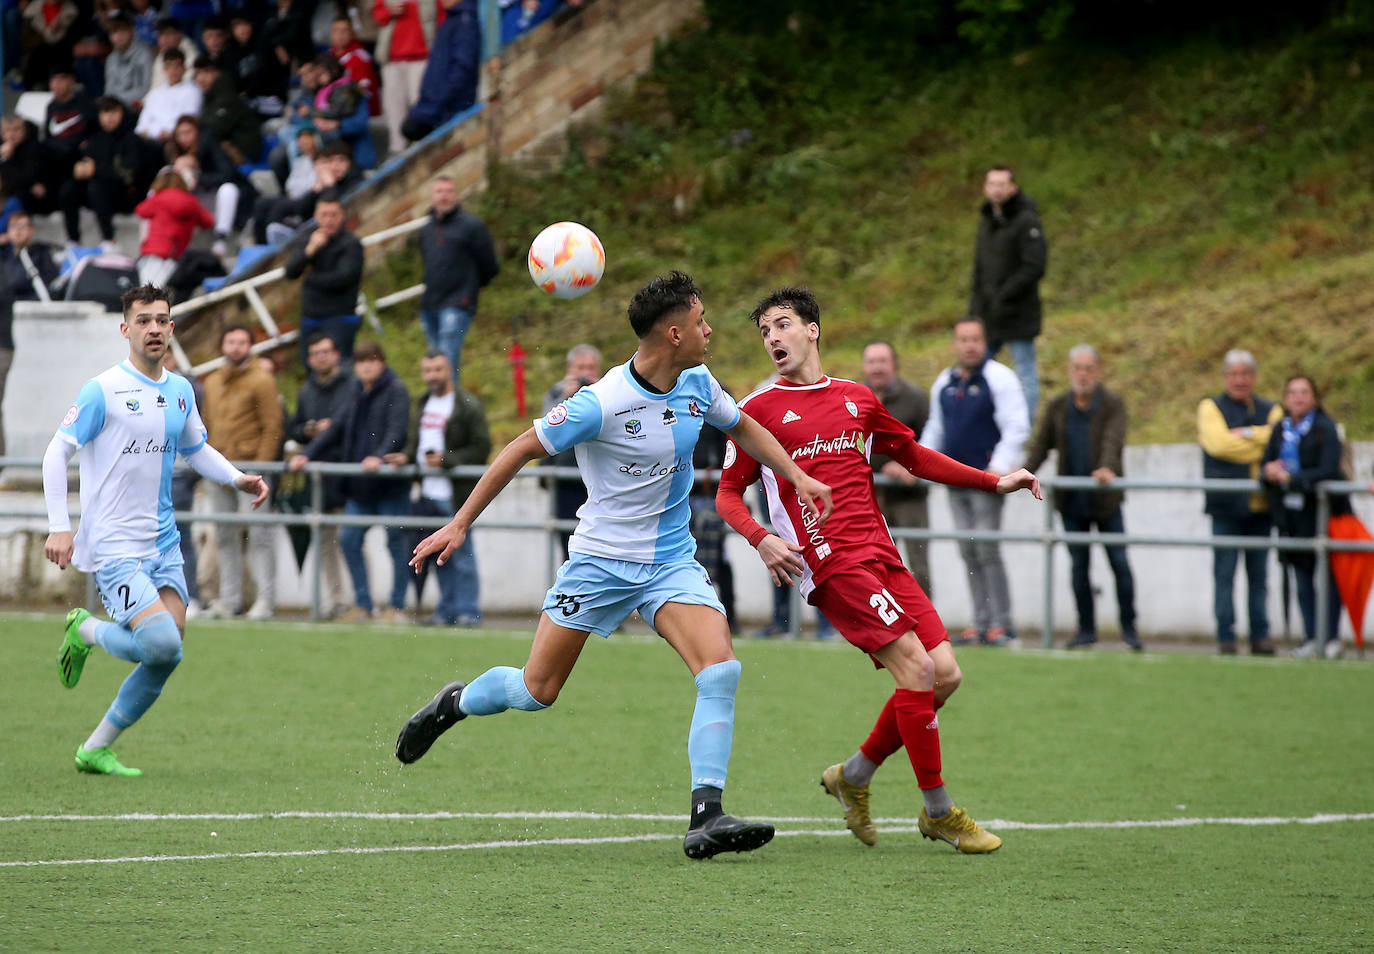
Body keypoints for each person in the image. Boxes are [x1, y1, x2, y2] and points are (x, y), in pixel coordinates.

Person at [395, 271, 834, 860]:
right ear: (674, 333)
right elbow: (520, 449)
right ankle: (454, 702)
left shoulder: (698, 382)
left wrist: (797, 474)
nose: (711, 331)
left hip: (671, 561)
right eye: (701, 322)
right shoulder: (600, 402)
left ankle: (707, 813)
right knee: (536, 690)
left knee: (720, 669)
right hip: (599, 564)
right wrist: (459, 523)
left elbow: (744, 427)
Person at [716, 285, 1040, 853]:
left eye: (783, 324)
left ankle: (855, 776)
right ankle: (939, 811)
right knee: (915, 670)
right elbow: (727, 494)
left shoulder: (857, 398)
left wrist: (996, 479)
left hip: (882, 553)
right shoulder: (756, 412)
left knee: (946, 676)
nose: (773, 337)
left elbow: (914, 457)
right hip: (831, 563)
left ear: (812, 329)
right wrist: (762, 538)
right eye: (765, 330)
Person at [42, 284, 268, 776]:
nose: (153, 329)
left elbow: (195, 448)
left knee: (168, 654)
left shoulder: (181, 391)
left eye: (162, 320)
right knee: (161, 643)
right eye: (143, 320)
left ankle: (95, 748)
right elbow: (56, 452)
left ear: (172, 328)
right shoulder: (102, 390)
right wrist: (61, 527)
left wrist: (235, 476)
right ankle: (85, 629)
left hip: (163, 543)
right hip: (115, 544)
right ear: (125, 329)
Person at [920, 316, 1029, 645]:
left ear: (985, 344)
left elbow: (1017, 425)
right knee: (968, 551)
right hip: (954, 482)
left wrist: (999, 467)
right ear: (955, 344)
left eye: (975, 340)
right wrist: (919, 460)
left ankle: (1001, 622)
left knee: (987, 549)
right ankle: (980, 622)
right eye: (963, 339)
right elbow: (936, 428)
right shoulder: (945, 382)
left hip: (986, 482)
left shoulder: (1000, 378)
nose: (969, 345)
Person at [1024, 345, 1141, 650]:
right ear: (1069, 370)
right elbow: (1041, 446)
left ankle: (1130, 630)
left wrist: (1107, 467)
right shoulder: (1058, 405)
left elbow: (1114, 439)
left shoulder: (1112, 403)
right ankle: (1085, 629)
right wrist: (1020, 473)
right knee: (1079, 567)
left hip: (1105, 500)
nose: (1083, 374)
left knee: (1120, 564)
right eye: (1078, 367)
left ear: (1098, 371)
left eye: (1089, 368)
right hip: (1071, 502)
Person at [289, 339, 412, 623]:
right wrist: (307, 454)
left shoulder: (396, 390)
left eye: (371, 360)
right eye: (361, 361)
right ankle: (364, 606)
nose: (366, 366)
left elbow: (397, 430)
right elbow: (336, 429)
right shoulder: (357, 392)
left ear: (381, 362)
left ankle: (397, 608)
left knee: (396, 543)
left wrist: (379, 456)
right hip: (361, 486)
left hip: (389, 484)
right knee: (349, 540)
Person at [385, 351, 491, 625]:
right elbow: (416, 441)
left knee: (463, 556)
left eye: (437, 370)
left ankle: (468, 611)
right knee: (439, 555)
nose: (432, 375)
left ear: (450, 370)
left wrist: (448, 460)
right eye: (427, 370)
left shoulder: (468, 404)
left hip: (456, 495)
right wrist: (407, 456)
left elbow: (482, 447)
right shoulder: (424, 402)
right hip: (428, 492)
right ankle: (447, 611)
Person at [1198, 349, 1282, 656]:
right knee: (1224, 577)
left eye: (1245, 374)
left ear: (1254, 377)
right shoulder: (1210, 406)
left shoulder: (1271, 409)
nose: (1240, 380)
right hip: (1225, 508)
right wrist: (1263, 442)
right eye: (1234, 374)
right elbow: (1218, 444)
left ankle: (1260, 636)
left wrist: (1246, 434)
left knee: (1259, 579)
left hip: (1261, 508)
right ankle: (1226, 637)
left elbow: (1280, 443)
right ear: (1225, 377)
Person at [1260, 375, 1349, 659]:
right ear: (1286, 399)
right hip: (1291, 516)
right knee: (1301, 577)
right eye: (1292, 393)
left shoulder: (1324, 428)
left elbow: (1329, 469)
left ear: (1313, 398)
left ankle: (1331, 637)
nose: (1298, 398)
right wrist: (1269, 472)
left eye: (1304, 392)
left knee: (1329, 577)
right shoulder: (1280, 429)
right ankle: (1310, 636)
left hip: (1322, 512)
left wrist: (1294, 478)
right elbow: (1265, 463)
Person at [202, 324, 284, 620]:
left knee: (259, 535)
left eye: (242, 341)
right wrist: (210, 463)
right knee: (224, 536)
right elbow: (206, 424)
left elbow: (273, 426)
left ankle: (265, 601)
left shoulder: (262, 380)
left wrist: (261, 468)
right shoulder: (211, 382)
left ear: (250, 346)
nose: (235, 346)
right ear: (222, 345)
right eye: (230, 341)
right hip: (220, 468)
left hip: (252, 466)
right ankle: (230, 600)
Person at [285, 333, 358, 616]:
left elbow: (347, 425)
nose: (321, 357)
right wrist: (310, 431)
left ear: (336, 354)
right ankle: (337, 599)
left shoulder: (352, 386)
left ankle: (362, 601)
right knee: (327, 542)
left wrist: (328, 432)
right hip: (319, 478)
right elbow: (296, 428)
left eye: (326, 351)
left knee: (351, 541)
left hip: (347, 474)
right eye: (315, 353)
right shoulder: (307, 391)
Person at [969, 164, 1047, 419]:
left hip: (1019, 312)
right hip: (989, 313)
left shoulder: (1027, 220)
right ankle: (980, 423)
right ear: (985, 188)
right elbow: (979, 269)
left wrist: (1006, 293)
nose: (997, 190)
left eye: (1002, 184)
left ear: (1013, 188)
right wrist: (975, 310)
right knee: (978, 369)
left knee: (1024, 370)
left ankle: (1024, 426)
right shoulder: (986, 222)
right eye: (992, 184)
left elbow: (1035, 266)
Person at [862, 340, 932, 595]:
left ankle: (926, 630)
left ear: (894, 365)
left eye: (882, 361)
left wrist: (910, 468)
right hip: (868, 497)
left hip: (909, 497)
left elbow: (932, 440)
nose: (877, 368)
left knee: (917, 563)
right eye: (871, 362)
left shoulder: (915, 398)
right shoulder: (856, 398)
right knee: (872, 563)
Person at [417, 176, 499, 382]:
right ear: (431, 196)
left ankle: (452, 408)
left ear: (456, 195)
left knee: (447, 359)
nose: (444, 196)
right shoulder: (426, 230)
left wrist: (477, 286)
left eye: (449, 191)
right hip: (430, 303)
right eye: (439, 191)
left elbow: (489, 265)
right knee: (434, 362)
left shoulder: (472, 226)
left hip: (458, 303)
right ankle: (438, 406)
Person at [283, 190, 364, 365]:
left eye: (333, 214)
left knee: (340, 369)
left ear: (341, 216)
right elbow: (290, 272)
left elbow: (343, 278)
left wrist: (310, 278)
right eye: (324, 215)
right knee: (312, 370)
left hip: (339, 318)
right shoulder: (308, 238)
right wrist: (309, 251)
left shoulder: (350, 244)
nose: (329, 220)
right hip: (310, 319)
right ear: (316, 216)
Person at [61, 97, 153, 250]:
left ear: (122, 113)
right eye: (105, 112)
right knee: (69, 189)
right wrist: (79, 170)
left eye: (114, 112)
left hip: (127, 195)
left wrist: (96, 170)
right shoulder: (95, 139)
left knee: (97, 187)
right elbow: (86, 165)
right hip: (98, 196)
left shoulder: (132, 140)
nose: (109, 117)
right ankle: (73, 242)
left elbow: (129, 174)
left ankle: (109, 241)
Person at [540, 343, 600, 560]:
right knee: (567, 543)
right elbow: (545, 430)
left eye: (591, 368)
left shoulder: (605, 392)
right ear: (569, 369)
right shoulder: (556, 392)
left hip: (597, 478)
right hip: (565, 478)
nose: (586, 373)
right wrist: (566, 399)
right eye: (580, 367)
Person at [399, 0, 480, 145]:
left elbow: (463, 68)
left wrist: (440, 100)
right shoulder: (451, 20)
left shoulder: (464, 22)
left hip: (446, 108)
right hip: (435, 105)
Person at [370, 0, 438, 156]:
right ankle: (397, 149)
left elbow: (439, 16)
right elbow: (377, 15)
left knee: (420, 103)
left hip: (423, 56)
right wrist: (389, 12)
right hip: (392, 59)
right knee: (394, 107)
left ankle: (424, 146)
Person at [133, 166, 215, 286]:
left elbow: (141, 210)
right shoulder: (191, 201)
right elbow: (208, 221)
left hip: (154, 250)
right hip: (176, 251)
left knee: (147, 290)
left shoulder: (159, 198)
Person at [136, 48, 203, 142]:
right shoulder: (155, 93)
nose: (173, 70)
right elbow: (143, 124)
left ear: (184, 68)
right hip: (151, 139)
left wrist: (167, 132)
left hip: (176, 139)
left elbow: (189, 118)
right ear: (164, 69)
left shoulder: (193, 90)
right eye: (169, 66)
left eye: (177, 66)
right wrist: (156, 133)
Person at [2, 210, 59, 301]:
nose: (18, 231)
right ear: (8, 231)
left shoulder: (41, 254)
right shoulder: (4, 258)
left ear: (31, 231)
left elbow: (52, 285)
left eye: (22, 227)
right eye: (13, 226)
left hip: (33, 306)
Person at [328, 16, 380, 115]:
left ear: (352, 34)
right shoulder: (328, 55)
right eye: (336, 31)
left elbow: (362, 90)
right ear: (331, 34)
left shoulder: (361, 57)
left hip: (356, 110)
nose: (340, 35)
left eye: (344, 31)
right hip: (334, 106)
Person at [103, 14, 154, 110]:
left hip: (136, 107)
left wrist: (117, 100)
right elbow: (109, 89)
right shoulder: (111, 58)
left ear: (131, 31)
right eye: (114, 32)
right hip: (115, 108)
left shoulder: (145, 53)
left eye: (123, 31)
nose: (119, 36)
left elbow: (145, 88)